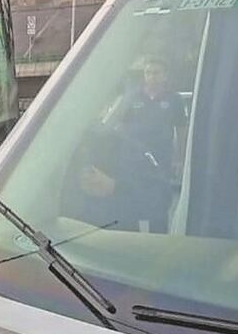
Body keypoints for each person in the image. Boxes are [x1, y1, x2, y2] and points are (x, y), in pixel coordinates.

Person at [75, 56, 188, 231]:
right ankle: (134, 237)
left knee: (159, 205)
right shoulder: (133, 97)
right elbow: (115, 124)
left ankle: (158, 240)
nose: (152, 77)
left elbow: (181, 130)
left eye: (156, 73)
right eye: (148, 73)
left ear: (165, 75)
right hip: (133, 160)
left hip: (161, 159)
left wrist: (180, 158)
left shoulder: (174, 99)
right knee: (132, 200)